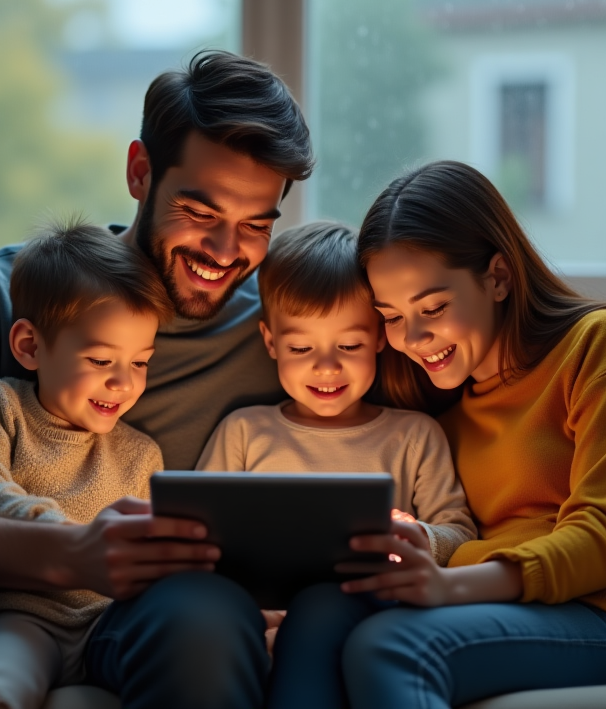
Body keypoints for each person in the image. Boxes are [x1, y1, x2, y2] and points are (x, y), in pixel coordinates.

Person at [0, 50, 606, 709]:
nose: (227, 251)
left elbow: (444, 300)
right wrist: (63, 558)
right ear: (141, 172)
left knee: (207, 617)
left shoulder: (276, 322)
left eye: (258, 222)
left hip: (136, 609)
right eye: (200, 209)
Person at [334, 160, 606, 709]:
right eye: (391, 315)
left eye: (433, 307)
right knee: (325, 615)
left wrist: (446, 585)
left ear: (498, 276)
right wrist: (423, 549)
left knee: (392, 646)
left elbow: (601, 546)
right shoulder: (443, 415)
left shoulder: (600, 343)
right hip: (503, 600)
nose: (413, 338)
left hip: (604, 609)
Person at [195, 221, 476, 709]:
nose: (327, 367)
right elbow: (200, 535)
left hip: (374, 614)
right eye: (302, 348)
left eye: (349, 346)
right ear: (270, 341)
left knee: (326, 611)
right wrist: (251, 613)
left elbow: (459, 534)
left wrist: (420, 537)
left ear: (380, 338)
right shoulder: (244, 432)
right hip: (261, 622)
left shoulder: (413, 436)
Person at [0, 223, 173, 709]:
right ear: (29, 347)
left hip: (115, 621)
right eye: (100, 359)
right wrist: (67, 537)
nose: (122, 384)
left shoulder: (141, 452)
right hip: (28, 617)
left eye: (140, 363)